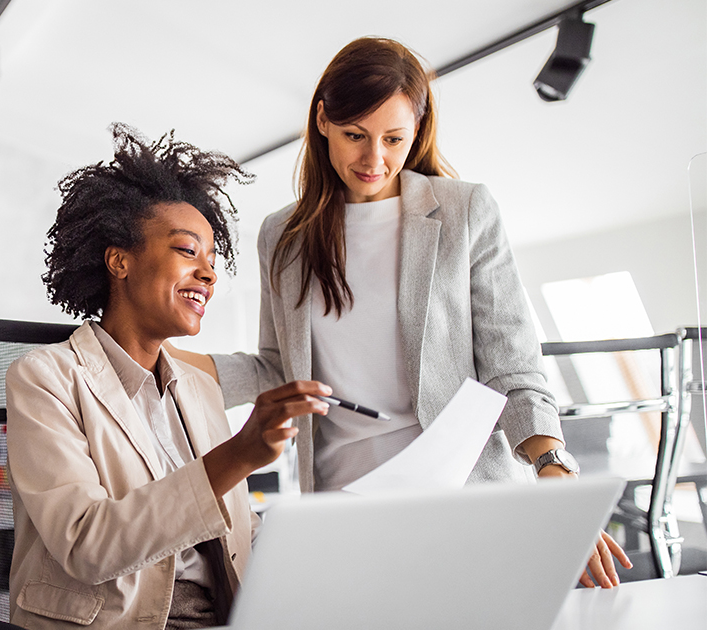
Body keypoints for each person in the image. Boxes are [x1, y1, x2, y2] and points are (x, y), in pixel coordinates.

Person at [167, 37, 631, 589]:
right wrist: (160, 359)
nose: (374, 159)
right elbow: (277, 369)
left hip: (464, 498)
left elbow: (512, 369)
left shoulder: (464, 211)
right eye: (355, 136)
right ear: (322, 120)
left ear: (418, 128)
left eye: (394, 138)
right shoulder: (283, 236)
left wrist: (554, 470)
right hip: (346, 506)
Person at [5, 124, 330, 629]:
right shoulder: (44, 380)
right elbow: (87, 544)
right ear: (120, 261)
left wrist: (320, 550)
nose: (208, 273)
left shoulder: (198, 390)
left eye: (212, 260)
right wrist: (239, 455)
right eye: (186, 251)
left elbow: (235, 532)